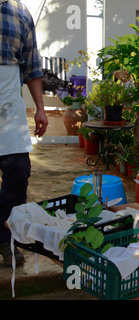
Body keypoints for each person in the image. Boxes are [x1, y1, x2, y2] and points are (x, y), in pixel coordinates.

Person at [0, 0, 48, 266]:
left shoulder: (19, 12)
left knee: (18, 175)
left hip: (9, 112)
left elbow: (32, 65)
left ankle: (6, 241)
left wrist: (40, 108)